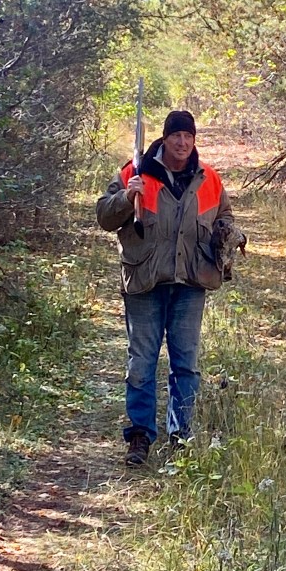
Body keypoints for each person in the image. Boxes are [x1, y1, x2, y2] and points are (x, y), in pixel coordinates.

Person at [96, 110, 235, 467]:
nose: (182, 143)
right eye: (176, 136)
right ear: (165, 137)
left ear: (194, 139)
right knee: (142, 362)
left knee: (185, 365)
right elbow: (104, 217)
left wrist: (228, 235)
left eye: (188, 136)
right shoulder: (135, 171)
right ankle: (139, 436)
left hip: (190, 282)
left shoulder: (209, 178)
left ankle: (181, 437)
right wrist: (126, 197)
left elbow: (225, 217)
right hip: (145, 281)